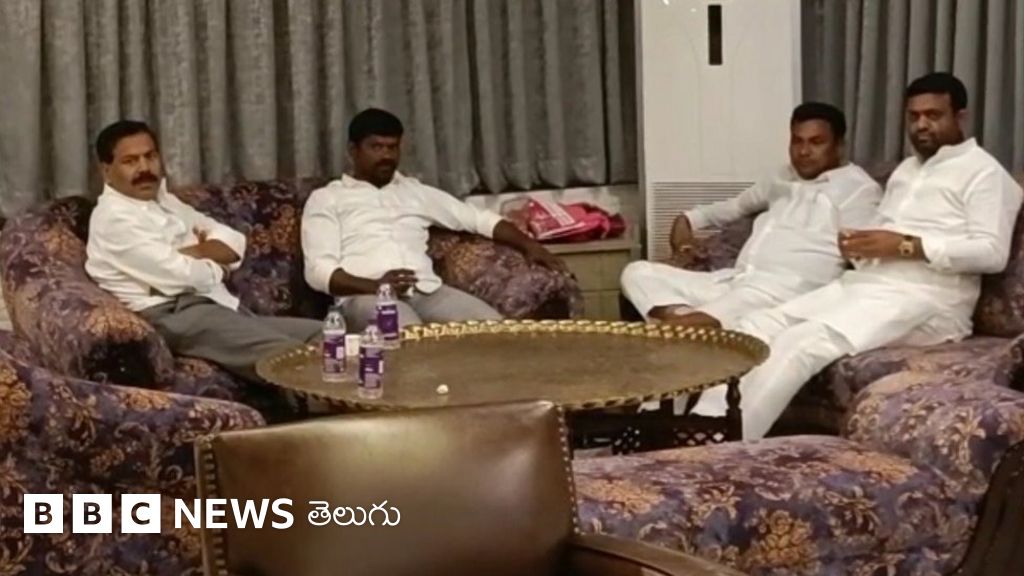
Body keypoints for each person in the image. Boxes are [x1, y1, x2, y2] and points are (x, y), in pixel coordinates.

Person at [691, 72, 1024, 439]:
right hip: (865, 285)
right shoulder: (907, 171)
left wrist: (906, 245)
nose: (921, 125)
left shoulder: (985, 174)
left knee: (801, 343)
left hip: (929, 300)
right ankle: (691, 431)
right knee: (753, 327)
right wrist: (861, 247)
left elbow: (992, 253)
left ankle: (719, 444)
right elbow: (884, 235)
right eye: (914, 116)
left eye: (933, 115)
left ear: (960, 117)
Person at [85, 120, 323, 384]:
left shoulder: (166, 201)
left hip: (215, 304)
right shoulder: (114, 219)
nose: (144, 168)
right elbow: (185, 275)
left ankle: (343, 402)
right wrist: (216, 263)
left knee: (329, 337)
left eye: (150, 156)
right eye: (130, 161)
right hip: (176, 314)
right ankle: (330, 407)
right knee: (290, 357)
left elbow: (234, 241)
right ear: (106, 171)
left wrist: (189, 252)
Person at [621, 102, 883, 329]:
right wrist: (686, 223)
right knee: (637, 272)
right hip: (736, 280)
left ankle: (691, 327)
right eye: (797, 141)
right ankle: (689, 322)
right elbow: (729, 208)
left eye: (816, 143)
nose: (803, 152)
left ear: (839, 146)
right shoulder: (781, 177)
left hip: (786, 292)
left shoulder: (858, 190)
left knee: (722, 310)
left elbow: (865, 260)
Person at [302, 108, 566, 331]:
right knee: (410, 338)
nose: (386, 156)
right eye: (376, 147)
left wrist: (530, 245)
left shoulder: (416, 192)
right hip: (365, 297)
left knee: (495, 331)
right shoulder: (328, 198)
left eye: (392, 147)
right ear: (353, 150)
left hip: (428, 292)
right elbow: (318, 272)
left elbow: (479, 219)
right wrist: (378, 286)